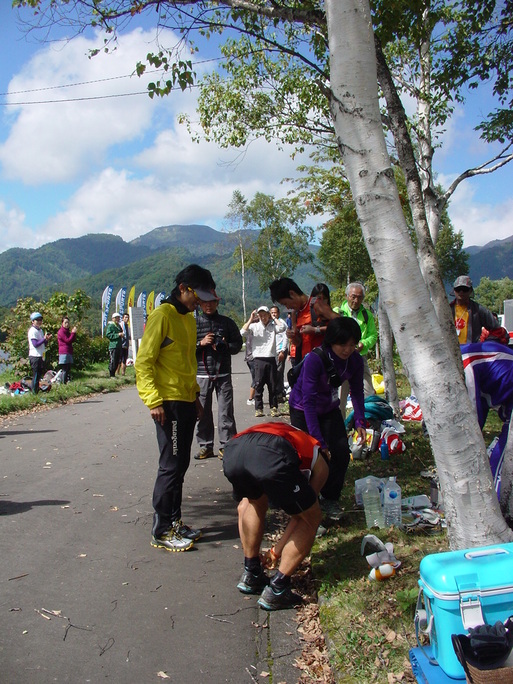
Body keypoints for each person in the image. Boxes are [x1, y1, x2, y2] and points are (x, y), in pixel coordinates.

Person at [135, 263, 217, 552]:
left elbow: (187, 364)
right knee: (170, 464)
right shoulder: (162, 316)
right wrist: (153, 400)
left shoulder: (189, 318)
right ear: (183, 288)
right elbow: (144, 361)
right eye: (198, 294)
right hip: (166, 403)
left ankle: (175, 520)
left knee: (181, 462)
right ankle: (161, 528)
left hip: (185, 400)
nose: (201, 301)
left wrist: (195, 396)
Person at [222, 421, 330, 610]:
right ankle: (278, 589)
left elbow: (242, 508)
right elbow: (301, 516)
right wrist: (276, 551)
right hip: (269, 452)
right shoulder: (320, 460)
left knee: (253, 501)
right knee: (312, 517)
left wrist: (275, 551)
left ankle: (251, 572)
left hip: (234, 450)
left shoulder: (293, 434)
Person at [288, 317, 367, 521]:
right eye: (342, 344)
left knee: (341, 452)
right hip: (303, 408)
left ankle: (330, 498)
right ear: (331, 341)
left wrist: (360, 421)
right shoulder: (316, 359)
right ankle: (306, 503)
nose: (347, 350)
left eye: (352, 344)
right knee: (312, 458)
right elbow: (308, 401)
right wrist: (319, 441)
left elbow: (357, 392)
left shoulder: (356, 360)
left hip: (329, 408)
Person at [461, 341, 513, 497]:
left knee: (502, 460)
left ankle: (498, 505)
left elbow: (473, 413)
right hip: (508, 397)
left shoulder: (465, 364)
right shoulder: (464, 356)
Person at [194, 296, 243, 460]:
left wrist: (226, 345)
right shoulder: (193, 323)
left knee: (225, 411)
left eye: (212, 302)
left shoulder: (227, 323)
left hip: (223, 374)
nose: (208, 305)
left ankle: (227, 445)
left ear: (217, 303)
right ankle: (205, 446)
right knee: (202, 412)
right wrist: (200, 344)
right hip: (201, 374)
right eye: (205, 302)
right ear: (199, 303)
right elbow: (184, 348)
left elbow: (238, 344)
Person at [269, 277, 339, 363]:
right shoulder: (295, 313)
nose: (287, 307)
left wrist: (316, 330)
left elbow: (342, 324)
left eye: (285, 303)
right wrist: (292, 336)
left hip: (324, 361)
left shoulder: (316, 305)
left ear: (292, 293)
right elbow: (298, 343)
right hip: (306, 362)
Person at [334, 282, 377, 415]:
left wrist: (364, 343)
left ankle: (367, 423)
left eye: (359, 297)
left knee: (368, 392)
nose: (356, 300)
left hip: (359, 357)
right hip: (341, 359)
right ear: (347, 296)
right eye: (353, 296)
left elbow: (373, 336)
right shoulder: (338, 312)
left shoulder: (367, 315)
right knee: (340, 395)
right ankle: (340, 428)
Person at [241, 306, 287, 418]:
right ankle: (259, 408)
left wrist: (274, 318)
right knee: (259, 384)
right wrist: (251, 319)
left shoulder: (273, 326)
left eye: (265, 315)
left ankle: (274, 408)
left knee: (272, 385)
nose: (263, 317)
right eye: (260, 315)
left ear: (268, 315)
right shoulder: (254, 326)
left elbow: (283, 328)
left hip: (271, 358)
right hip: (258, 359)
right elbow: (242, 332)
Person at [450, 275, 499, 344]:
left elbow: (498, 330)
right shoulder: (447, 309)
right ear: (454, 291)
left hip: (470, 352)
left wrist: (486, 344)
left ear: (470, 291)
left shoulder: (479, 310)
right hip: (451, 352)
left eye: (464, 289)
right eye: (458, 289)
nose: (461, 292)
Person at [28, 312, 52, 394]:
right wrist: (43, 339)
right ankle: (34, 392)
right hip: (34, 355)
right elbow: (35, 344)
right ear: (32, 321)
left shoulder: (40, 330)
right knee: (35, 375)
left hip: (41, 355)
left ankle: (37, 391)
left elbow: (43, 344)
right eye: (37, 320)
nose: (39, 321)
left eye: (40, 319)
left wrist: (46, 339)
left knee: (39, 375)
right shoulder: (32, 331)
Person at [270, 305, 288, 404]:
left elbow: (285, 338)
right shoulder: (270, 323)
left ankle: (279, 393)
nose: (273, 314)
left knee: (278, 373)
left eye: (275, 312)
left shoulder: (282, 323)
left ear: (278, 313)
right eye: (272, 313)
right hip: (271, 352)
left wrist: (282, 351)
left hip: (280, 351)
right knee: (272, 374)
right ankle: (275, 393)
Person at [57, 315, 77, 383]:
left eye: (68, 322)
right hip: (63, 352)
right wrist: (73, 333)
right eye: (65, 322)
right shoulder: (61, 332)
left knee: (68, 368)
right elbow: (67, 340)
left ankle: (65, 382)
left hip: (69, 351)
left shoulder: (67, 331)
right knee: (65, 369)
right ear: (62, 323)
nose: (67, 324)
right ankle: (63, 383)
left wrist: (73, 334)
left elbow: (72, 340)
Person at [105, 312, 123, 377]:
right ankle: (111, 374)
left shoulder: (118, 326)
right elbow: (108, 335)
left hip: (119, 345)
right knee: (113, 360)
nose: (117, 319)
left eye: (118, 318)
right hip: (113, 346)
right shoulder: (111, 326)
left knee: (117, 360)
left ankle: (114, 374)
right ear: (113, 319)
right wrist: (117, 335)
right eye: (116, 318)